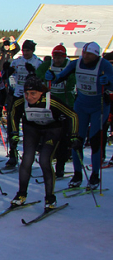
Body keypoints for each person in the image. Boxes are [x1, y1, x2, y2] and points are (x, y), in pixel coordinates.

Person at [50, 41, 113, 189]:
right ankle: (77, 174)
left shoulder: (104, 65)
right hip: (81, 105)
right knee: (77, 140)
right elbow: (61, 76)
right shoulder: (76, 63)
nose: (85, 57)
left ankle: (95, 175)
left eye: (89, 54)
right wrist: (52, 76)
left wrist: (108, 82)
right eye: (84, 53)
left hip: (99, 106)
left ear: (96, 55)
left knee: (95, 140)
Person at [8, 76, 77, 210]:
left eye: (33, 93)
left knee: (44, 160)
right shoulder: (22, 102)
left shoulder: (51, 101)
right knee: (27, 159)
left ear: (41, 92)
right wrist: (14, 134)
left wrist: (74, 137)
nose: (29, 97)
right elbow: (13, 113)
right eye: (26, 93)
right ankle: (21, 194)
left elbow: (73, 115)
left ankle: (50, 198)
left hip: (52, 130)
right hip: (32, 129)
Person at [0, 39, 42, 168]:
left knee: (30, 127)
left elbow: (42, 80)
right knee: (13, 123)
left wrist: (33, 74)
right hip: (18, 95)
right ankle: (13, 155)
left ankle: (30, 154)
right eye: (24, 50)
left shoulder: (38, 62)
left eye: (28, 50)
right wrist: (6, 70)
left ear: (32, 51)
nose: (25, 53)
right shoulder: (17, 61)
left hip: (32, 98)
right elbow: (6, 76)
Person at [36, 44, 75, 177]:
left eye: (60, 57)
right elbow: (38, 73)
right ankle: (48, 164)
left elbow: (73, 80)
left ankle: (60, 167)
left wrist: (61, 78)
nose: (57, 60)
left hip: (66, 103)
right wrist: (44, 77)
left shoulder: (69, 65)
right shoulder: (49, 64)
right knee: (48, 135)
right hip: (51, 104)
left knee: (64, 137)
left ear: (64, 57)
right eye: (55, 57)